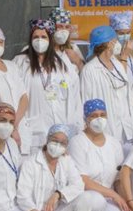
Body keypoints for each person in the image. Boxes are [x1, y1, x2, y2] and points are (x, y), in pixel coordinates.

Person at [13, 124, 106, 211]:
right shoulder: (31, 163)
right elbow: (22, 195)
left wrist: (58, 194)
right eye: (55, 140)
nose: (58, 145)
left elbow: (78, 184)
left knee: (88, 198)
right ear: (47, 140)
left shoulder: (66, 160)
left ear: (67, 146)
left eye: (63, 143)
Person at [67, 99, 131, 211]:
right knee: (95, 199)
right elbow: (82, 180)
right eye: (94, 116)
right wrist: (113, 194)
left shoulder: (114, 143)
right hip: (85, 195)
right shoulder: (77, 142)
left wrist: (126, 200)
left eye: (102, 115)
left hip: (107, 195)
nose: (99, 119)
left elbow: (118, 178)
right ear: (86, 119)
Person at [14, 21, 83, 154]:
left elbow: (75, 97)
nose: (40, 40)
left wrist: (77, 126)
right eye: (36, 37)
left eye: (43, 37)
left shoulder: (62, 63)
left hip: (61, 132)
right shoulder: (20, 62)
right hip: (34, 133)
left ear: (50, 39)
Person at [81, 26, 133, 157]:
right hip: (108, 127)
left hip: (128, 128)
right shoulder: (89, 70)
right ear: (108, 43)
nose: (118, 43)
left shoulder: (117, 64)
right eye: (115, 40)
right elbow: (86, 101)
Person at [109, 11, 133, 81]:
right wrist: (124, 55)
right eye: (121, 33)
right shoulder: (110, 52)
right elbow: (119, 76)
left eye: (128, 33)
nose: (125, 37)